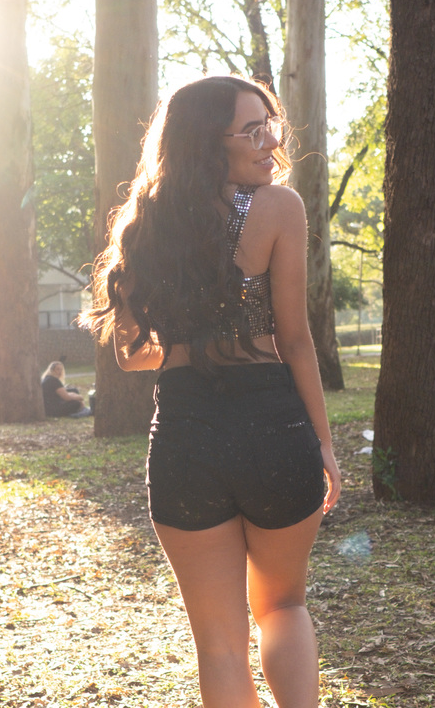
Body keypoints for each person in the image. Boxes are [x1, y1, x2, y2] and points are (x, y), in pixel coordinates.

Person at [80, 75, 340, 708]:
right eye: (252, 131)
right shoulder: (278, 208)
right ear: (207, 141)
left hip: (186, 439)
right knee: (283, 606)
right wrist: (325, 446)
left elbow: (131, 355)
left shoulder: (144, 223)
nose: (270, 142)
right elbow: (295, 340)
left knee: (219, 645)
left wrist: (191, 344)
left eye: (270, 126)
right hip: (274, 430)